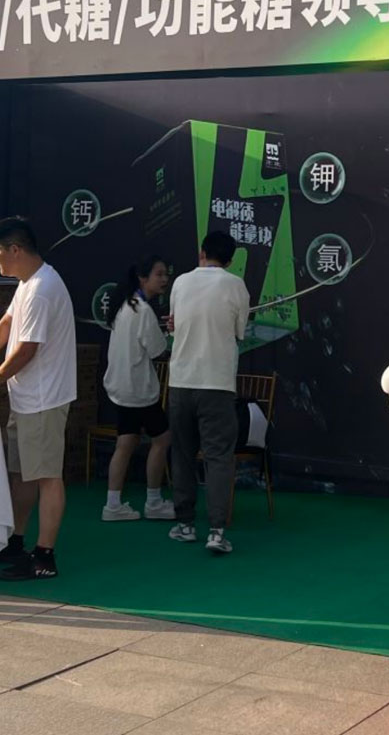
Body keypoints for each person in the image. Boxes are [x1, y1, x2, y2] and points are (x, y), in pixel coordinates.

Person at [0, 216, 76, 580]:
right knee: (22, 474)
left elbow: (28, 348)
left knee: (46, 476)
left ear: (15, 250)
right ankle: (14, 542)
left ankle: (44, 557)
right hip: (27, 396)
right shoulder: (28, 283)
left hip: (44, 399)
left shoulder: (43, 288)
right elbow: (7, 323)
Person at [166, 230, 250, 555]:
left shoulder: (180, 282)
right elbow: (240, 332)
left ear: (202, 253)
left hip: (181, 381)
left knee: (182, 454)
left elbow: (174, 325)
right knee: (218, 458)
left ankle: (185, 525)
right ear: (230, 260)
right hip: (217, 384)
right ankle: (216, 531)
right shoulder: (236, 285)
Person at [101, 256, 175, 522]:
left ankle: (113, 504)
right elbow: (157, 350)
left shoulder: (126, 305)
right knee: (162, 440)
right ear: (143, 278)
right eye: (159, 274)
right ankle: (153, 502)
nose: (164, 279)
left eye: (165, 274)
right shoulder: (142, 310)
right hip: (139, 391)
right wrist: (171, 332)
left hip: (121, 388)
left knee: (126, 442)